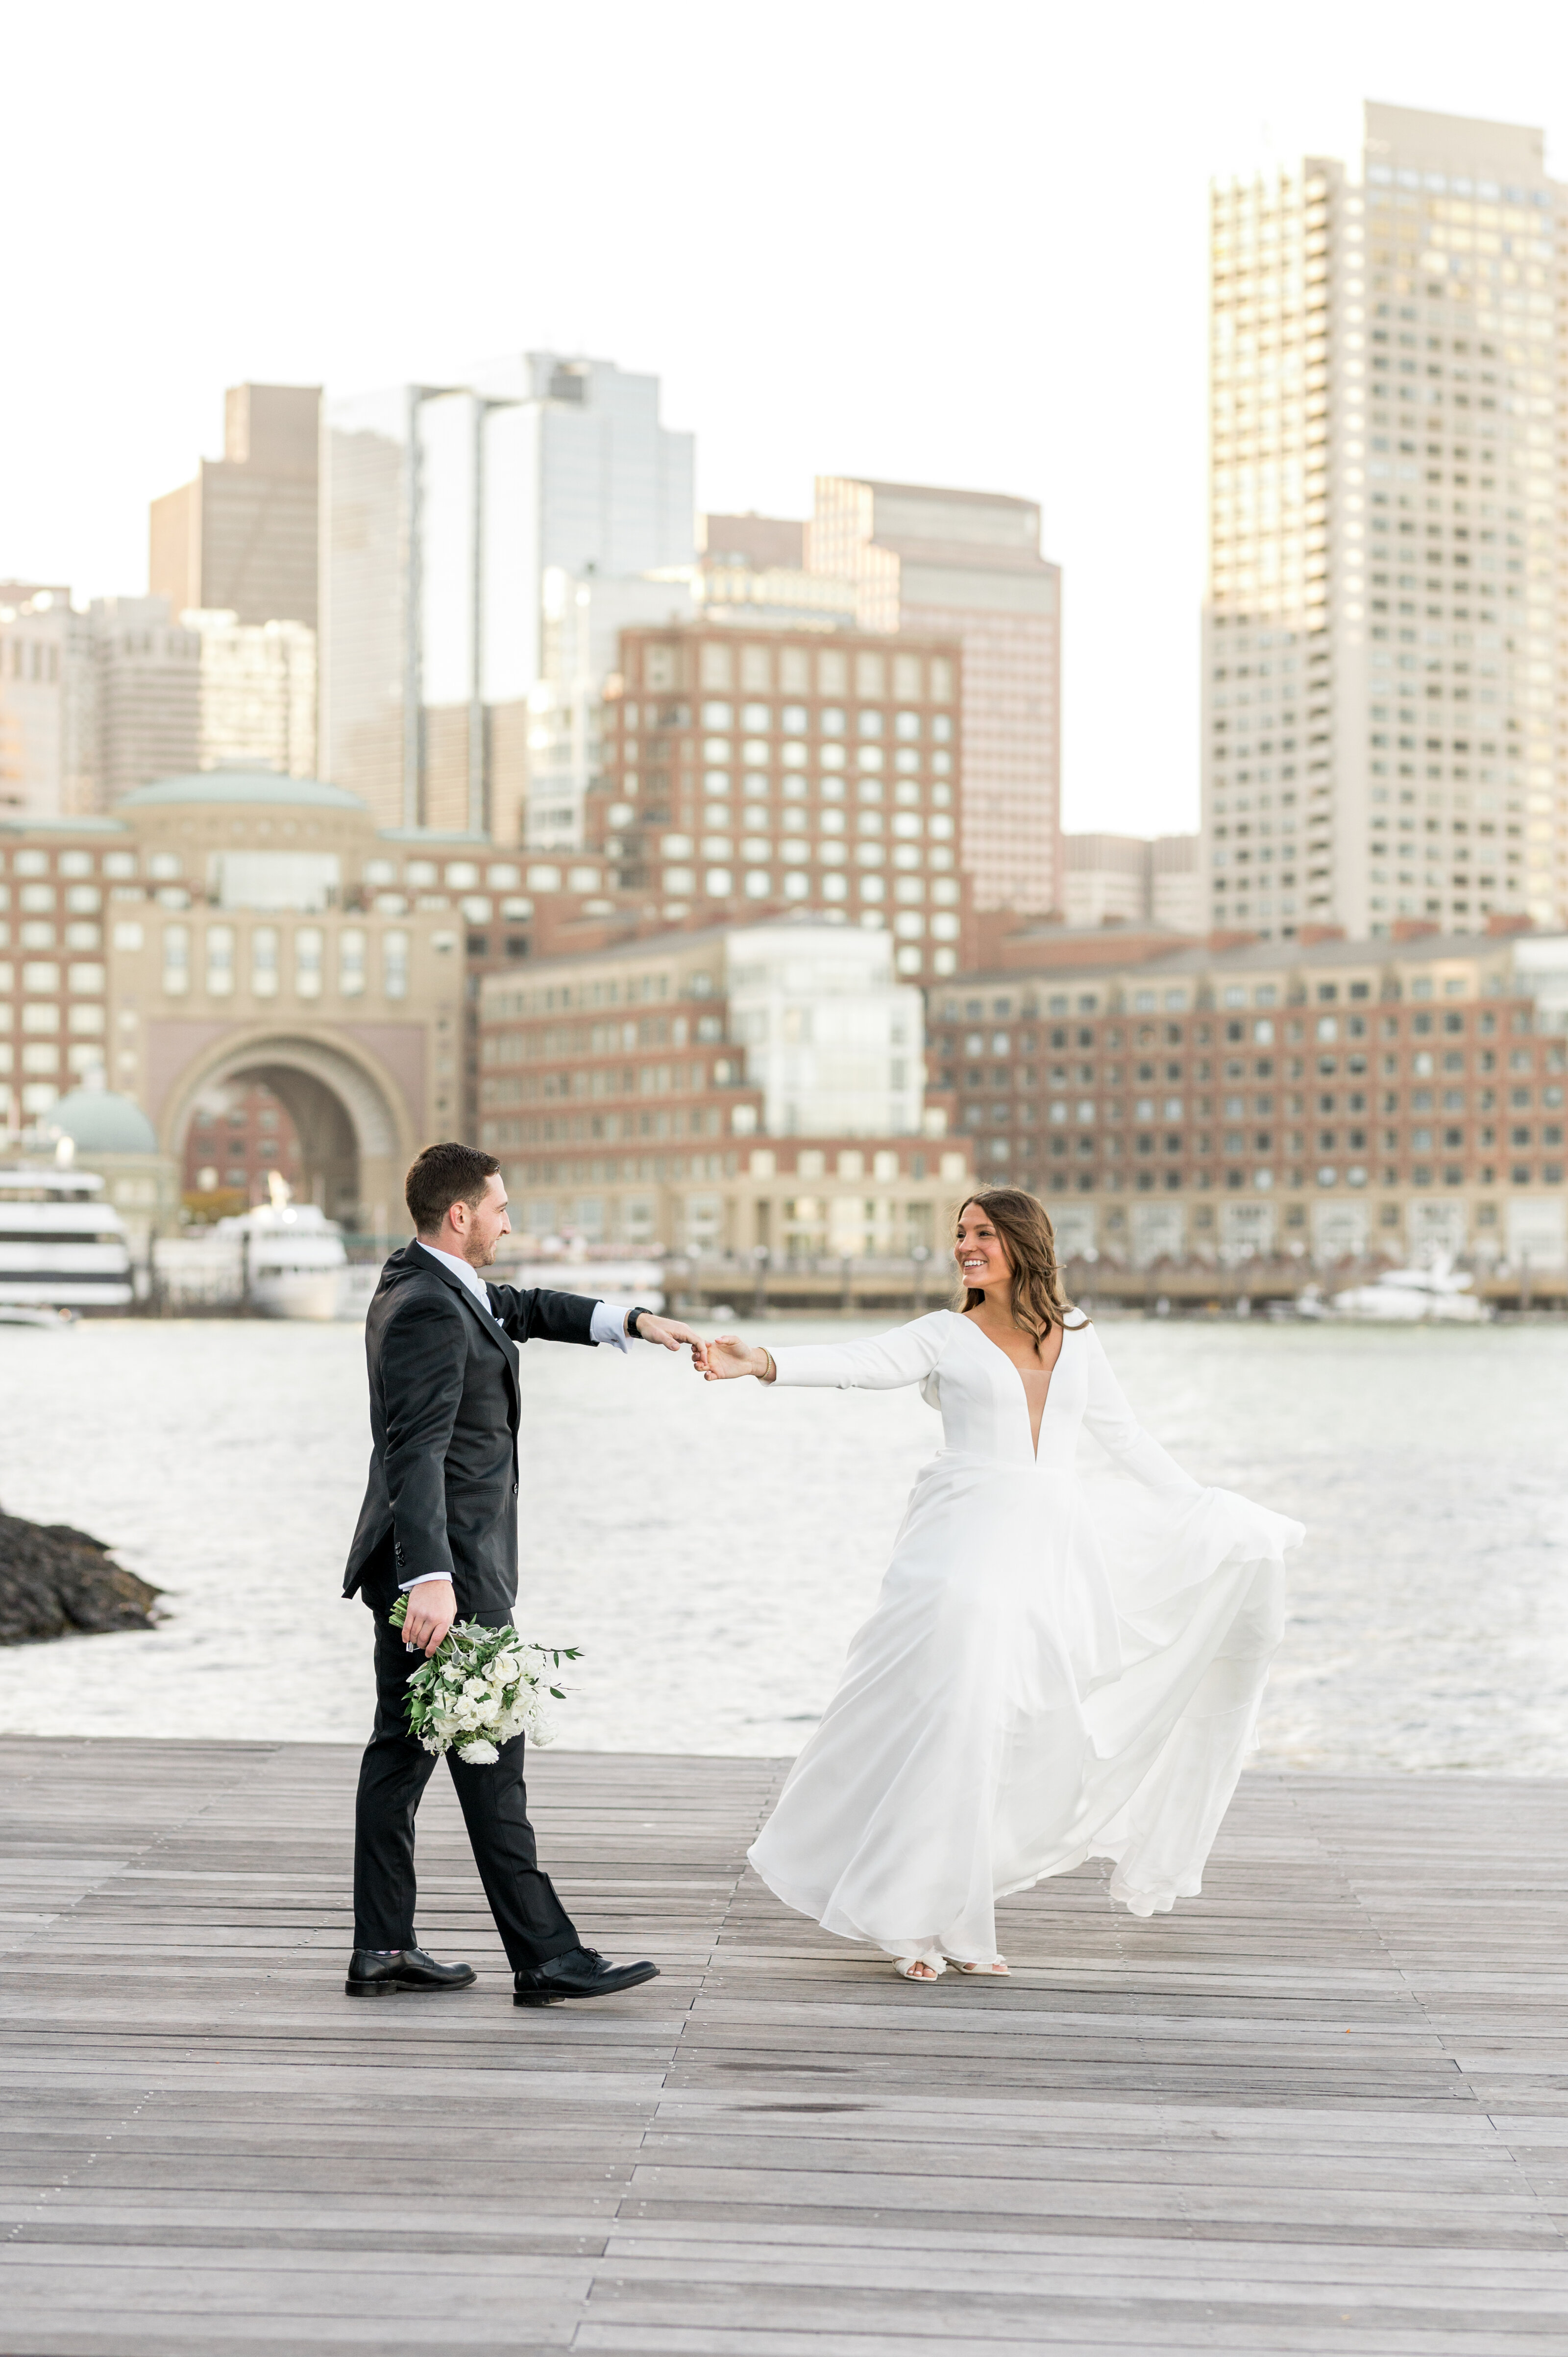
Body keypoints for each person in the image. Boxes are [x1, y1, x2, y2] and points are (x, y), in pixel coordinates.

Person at [701, 1187, 1302, 1981]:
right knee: (958, 1718)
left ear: (1023, 1240)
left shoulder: (1078, 1336)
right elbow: (863, 1365)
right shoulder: (946, 1334)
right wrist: (765, 1362)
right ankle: (918, 1923)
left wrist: (1209, 1510)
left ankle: (951, 1908)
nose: (965, 1244)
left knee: (1011, 1728)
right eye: (960, 1233)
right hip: (960, 1547)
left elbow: (1125, 1438)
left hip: (1047, 1553)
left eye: (982, 1231)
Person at [342, 1141, 705, 2005]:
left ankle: (385, 1948)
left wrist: (638, 1323)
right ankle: (546, 1955)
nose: (512, 1219)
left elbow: (523, 1305)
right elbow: (417, 1449)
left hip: (423, 1567)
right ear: (461, 1214)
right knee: (489, 1759)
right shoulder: (430, 1306)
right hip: (448, 1575)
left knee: (400, 1756)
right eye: (501, 1207)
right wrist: (432, 1577)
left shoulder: (424, 1280)